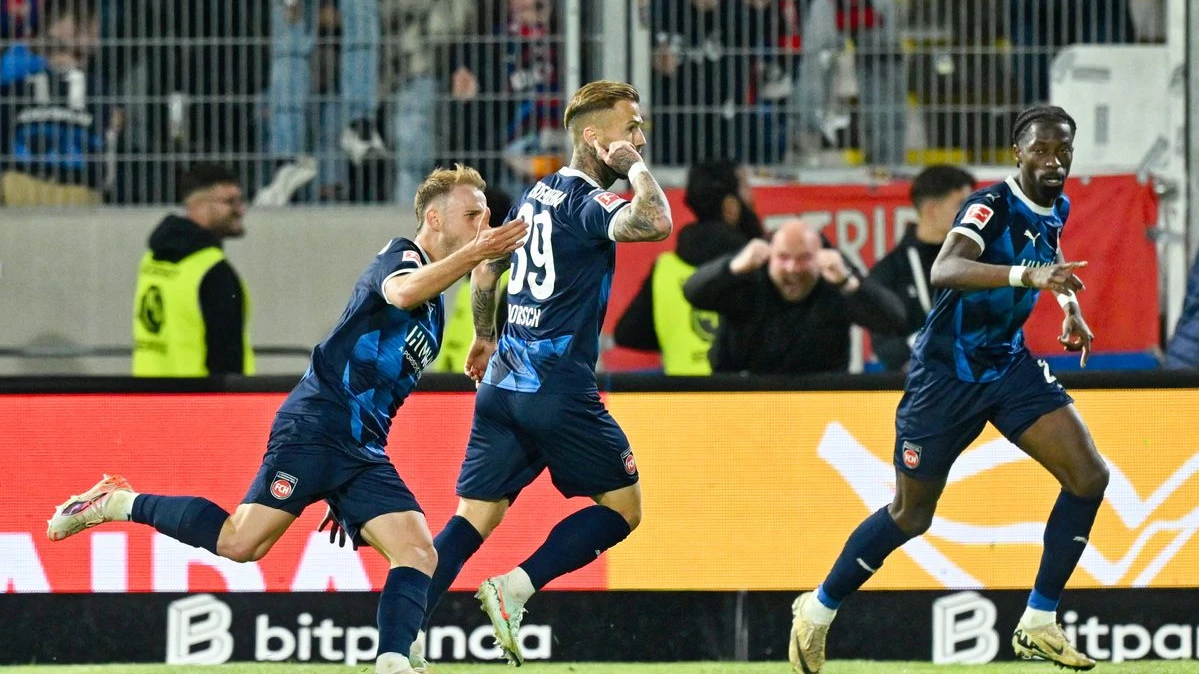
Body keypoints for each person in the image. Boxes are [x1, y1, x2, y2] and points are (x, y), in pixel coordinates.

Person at [49, 165, 529, 674]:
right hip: (317, 427)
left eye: (487, 216)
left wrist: (483, 325)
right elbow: (401, 292)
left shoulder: (436, 305)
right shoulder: (401, 257)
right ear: (433, 217)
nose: (484, 224)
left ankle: (394, 662)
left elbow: (442, 305)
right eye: (472, 214)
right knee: (241, 542)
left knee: (418, 551)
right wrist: (477, 253)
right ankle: (118, 501)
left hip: (359, 450)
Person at [788, 106, 1107, 673]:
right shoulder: (988, 204)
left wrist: (1070, 306)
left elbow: (1049, 255)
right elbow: (946, 268)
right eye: (1041, 149)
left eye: (1063, 149)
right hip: (944, 377)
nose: (1053, 160)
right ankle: (817, 608)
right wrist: (1026, 276)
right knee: (912, 515)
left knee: (1089, 477)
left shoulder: (1056, 205)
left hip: (1007, 366)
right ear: (1018, 151)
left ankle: (1038, 620)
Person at [417, 80, 672, 666]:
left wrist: (483, 335)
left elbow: (485, 271)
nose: (639, 138)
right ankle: (517, 587)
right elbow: (656, 221)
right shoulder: (588, 202)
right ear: (593, 136)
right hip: (557, 390)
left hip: (502, 384)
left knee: (471, 520)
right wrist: (632, 167)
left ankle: (399, 640)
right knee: (624, 508)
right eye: (630, 127)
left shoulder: (536, 197)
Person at [683, 219, 907, 375]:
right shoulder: (750, 271)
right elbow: (693, 293)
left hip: (819, 399)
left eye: (803, 259)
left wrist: (848, 282)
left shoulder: (835, 276)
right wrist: (732, 268)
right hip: (745, 398)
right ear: (770, 255)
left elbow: (894, 320)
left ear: (820, 258)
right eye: (783, 258)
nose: (792, 268)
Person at [614, 158, 764, 374]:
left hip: (681, 401)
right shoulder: (756, 265)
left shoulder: (665, 268)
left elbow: (628, 333)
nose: (752, 199)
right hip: (744, 400)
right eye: (747, 190)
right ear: (730, 206)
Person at [132, 164, 254, 377]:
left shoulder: (152, 258)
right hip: (198, 402)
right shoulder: (213, 272)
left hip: (147, 399)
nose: (240, 209)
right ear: (199, 205)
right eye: (230, 201)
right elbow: (227, 362)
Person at [869, 165, 975, 372]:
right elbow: (885, 342)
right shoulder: (889, 272)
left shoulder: (978, 262)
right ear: (932, 210)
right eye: (961, 205)